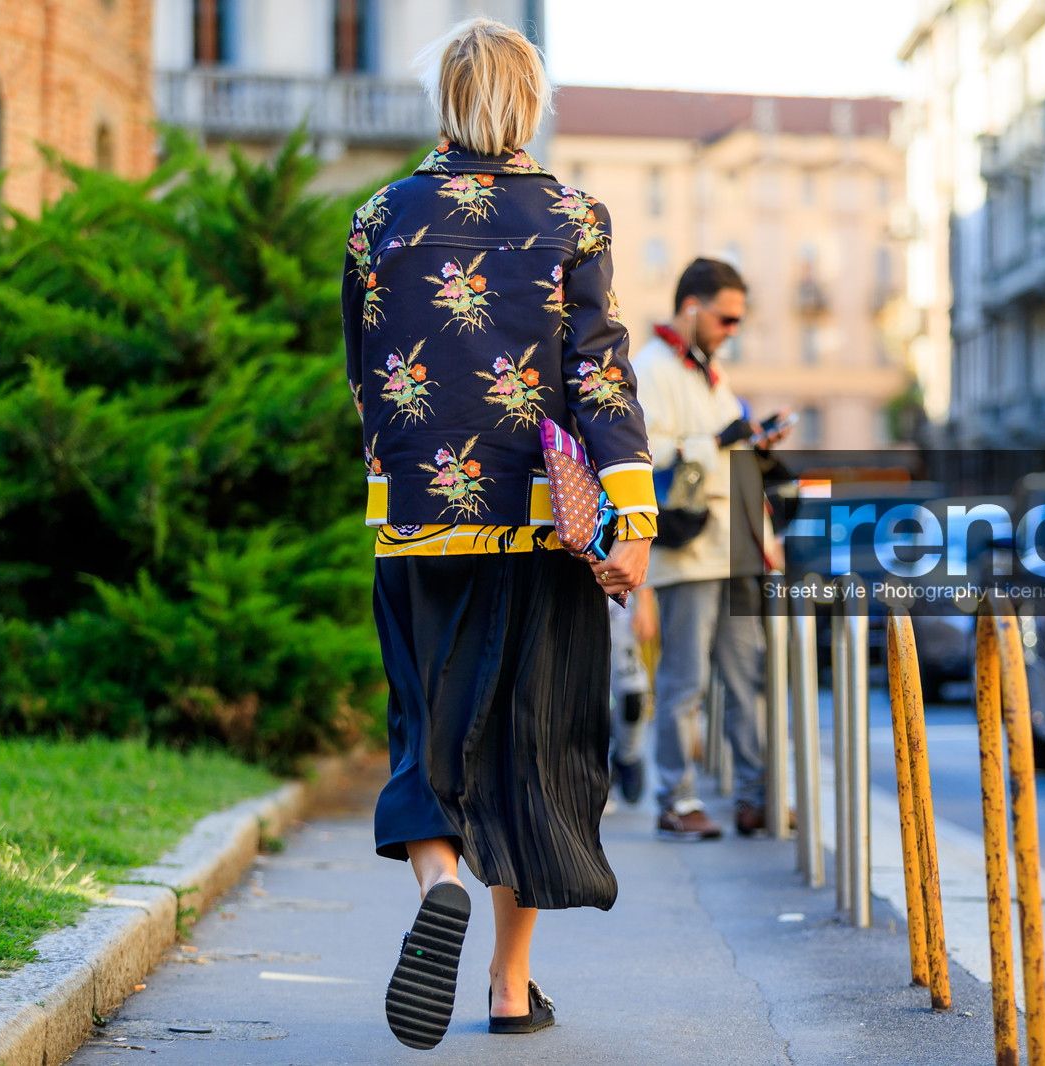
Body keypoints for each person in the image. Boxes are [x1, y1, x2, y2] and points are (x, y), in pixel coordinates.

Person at [341, 18, 655, 1050]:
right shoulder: (571, 214)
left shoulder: (377, 217)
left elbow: (362, 378)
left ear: (445, 98)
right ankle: (510, 989)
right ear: (528, 101)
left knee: (425, 725)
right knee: (536, 745)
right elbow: (600, 372)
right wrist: (632, 520)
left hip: (419, 525)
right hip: (543, 525)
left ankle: (438, 880)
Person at [633, 258, 789, 840]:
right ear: (693, 308)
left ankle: (755, 799)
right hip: (690, 551)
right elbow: (646, 454)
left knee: (747, 680)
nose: (733, 330)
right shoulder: (652, 368)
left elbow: (728, 455)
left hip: (734, 548)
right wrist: (719, 440)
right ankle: (674, 801)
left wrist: (754, 441)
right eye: (726, 318)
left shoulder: (709, 372)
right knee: (683, 684)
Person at [607, 586, 656, 807]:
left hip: (616, 601)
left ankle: (627, 757)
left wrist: (644, 601)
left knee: (633, 697)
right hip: (560, 597)